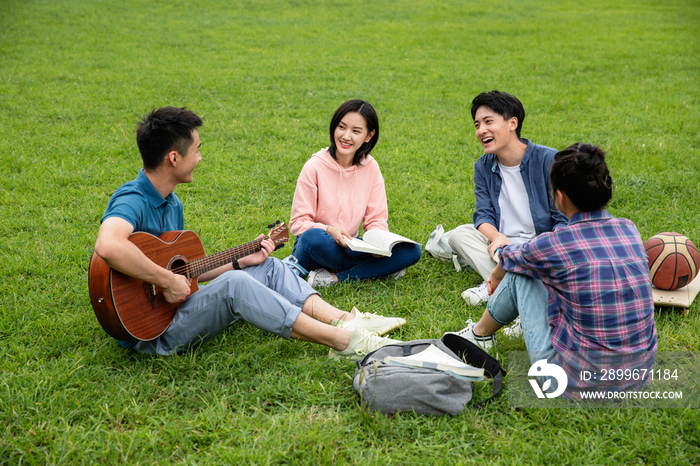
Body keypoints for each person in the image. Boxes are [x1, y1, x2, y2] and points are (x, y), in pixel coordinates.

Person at [93, 106, 406, 360]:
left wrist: (241, 260)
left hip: (172, 309)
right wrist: (165, 280)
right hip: (151, 333)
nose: (200, 157)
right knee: (235, 286)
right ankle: (342, 341)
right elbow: (109, 245)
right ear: (173, 158)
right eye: (197, 150)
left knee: (266, 266)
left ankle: (346, 319)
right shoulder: (132, 198)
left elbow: (187, 272)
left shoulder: (170, 202)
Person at [450, 143, 657, 394]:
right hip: (639, 374)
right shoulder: (629, 228)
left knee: (521, 273)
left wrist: (495, 273)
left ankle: (479, 334)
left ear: (559, 196)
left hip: (572, 381)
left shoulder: (555, 243)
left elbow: (509, 258)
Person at [448, 90, 567, 314]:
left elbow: (562, 219)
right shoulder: (483, 166)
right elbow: (482, 216)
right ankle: (511, 283)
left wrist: (539, 248)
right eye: (476, 125)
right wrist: (497, 237)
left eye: (488, 122)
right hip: (502, 246)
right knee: (458, 235)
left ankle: (497, 283)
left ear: (512, 123)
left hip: (540, 245)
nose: (481, 130)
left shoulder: (548, 160)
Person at [287, 99, 422, 287]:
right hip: (318, 245)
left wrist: (380, 245)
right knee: (314, 239)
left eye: (356, 131)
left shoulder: (371, 167)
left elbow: (376, 220)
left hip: (351, 245)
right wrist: (329, 230)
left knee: (412, 250)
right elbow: (298, 223)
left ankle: (334, 278)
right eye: (341, 127)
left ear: (369, 135)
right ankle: (379, 268)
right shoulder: (314, 167)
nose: (346, 136)